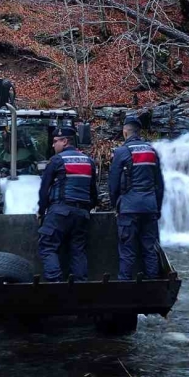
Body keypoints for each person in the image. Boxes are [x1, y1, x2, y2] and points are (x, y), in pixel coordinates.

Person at [37, 126, 98, 282]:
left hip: (60, 212)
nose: (53, 145)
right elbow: (93, 193)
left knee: (47, 246)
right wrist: (86, 209)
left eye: (55, 141)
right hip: (82, 214)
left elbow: (44, 189)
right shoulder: (89, 161)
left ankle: (56, 283)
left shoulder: (57, 160)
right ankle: (80, 286)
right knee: (78, 250)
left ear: (65, 141)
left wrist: (41, 211)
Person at [108, 113, 165, 280]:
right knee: (149, 248)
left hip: (129, 208)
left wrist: (115, 205)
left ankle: (125, 286)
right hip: (150, 207)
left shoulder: (121, 152)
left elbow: (113, 184)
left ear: (125, 132)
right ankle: (153, 286)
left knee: (127, 250)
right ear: (139, 132)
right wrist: (157, 208)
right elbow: (159, 185)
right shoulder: (152, 151)